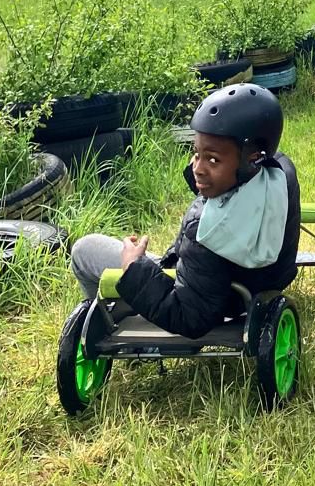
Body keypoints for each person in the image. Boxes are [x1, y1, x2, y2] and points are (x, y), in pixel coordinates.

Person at [68, 83, 302, 338]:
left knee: (84, 249)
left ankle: (109, 322)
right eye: (196, 153)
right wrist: (211, 164)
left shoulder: (204, 230)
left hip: (203, 296)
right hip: (253, 286)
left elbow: (189, 317)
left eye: (212, 159)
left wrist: (134, 267)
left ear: (252, 159)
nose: (197, 168)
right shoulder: (280, 174)